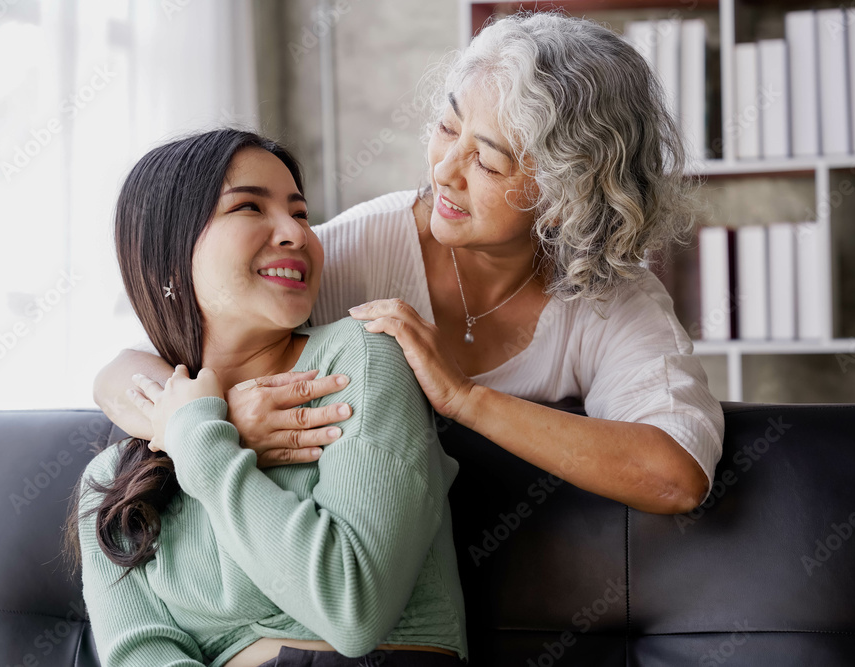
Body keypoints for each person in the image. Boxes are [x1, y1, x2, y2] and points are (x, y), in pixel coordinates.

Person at [94, 11, 724, 515]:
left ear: (565, 196)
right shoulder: (355, 251)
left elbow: (676, 477)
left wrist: (464, 398)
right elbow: (131, 366)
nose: (445, 171)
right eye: (448, 130)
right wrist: (213, 424)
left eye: (487, 161)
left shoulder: (612, 298)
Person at [66, 129, 467, 667]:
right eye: (249, 207)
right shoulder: (112, 480)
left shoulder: (359, 359)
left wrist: (202, 447)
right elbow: (139, 652)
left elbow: (354, 608)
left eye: (300, 214)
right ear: (167, 255)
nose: (296, 234)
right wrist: (202, 428)